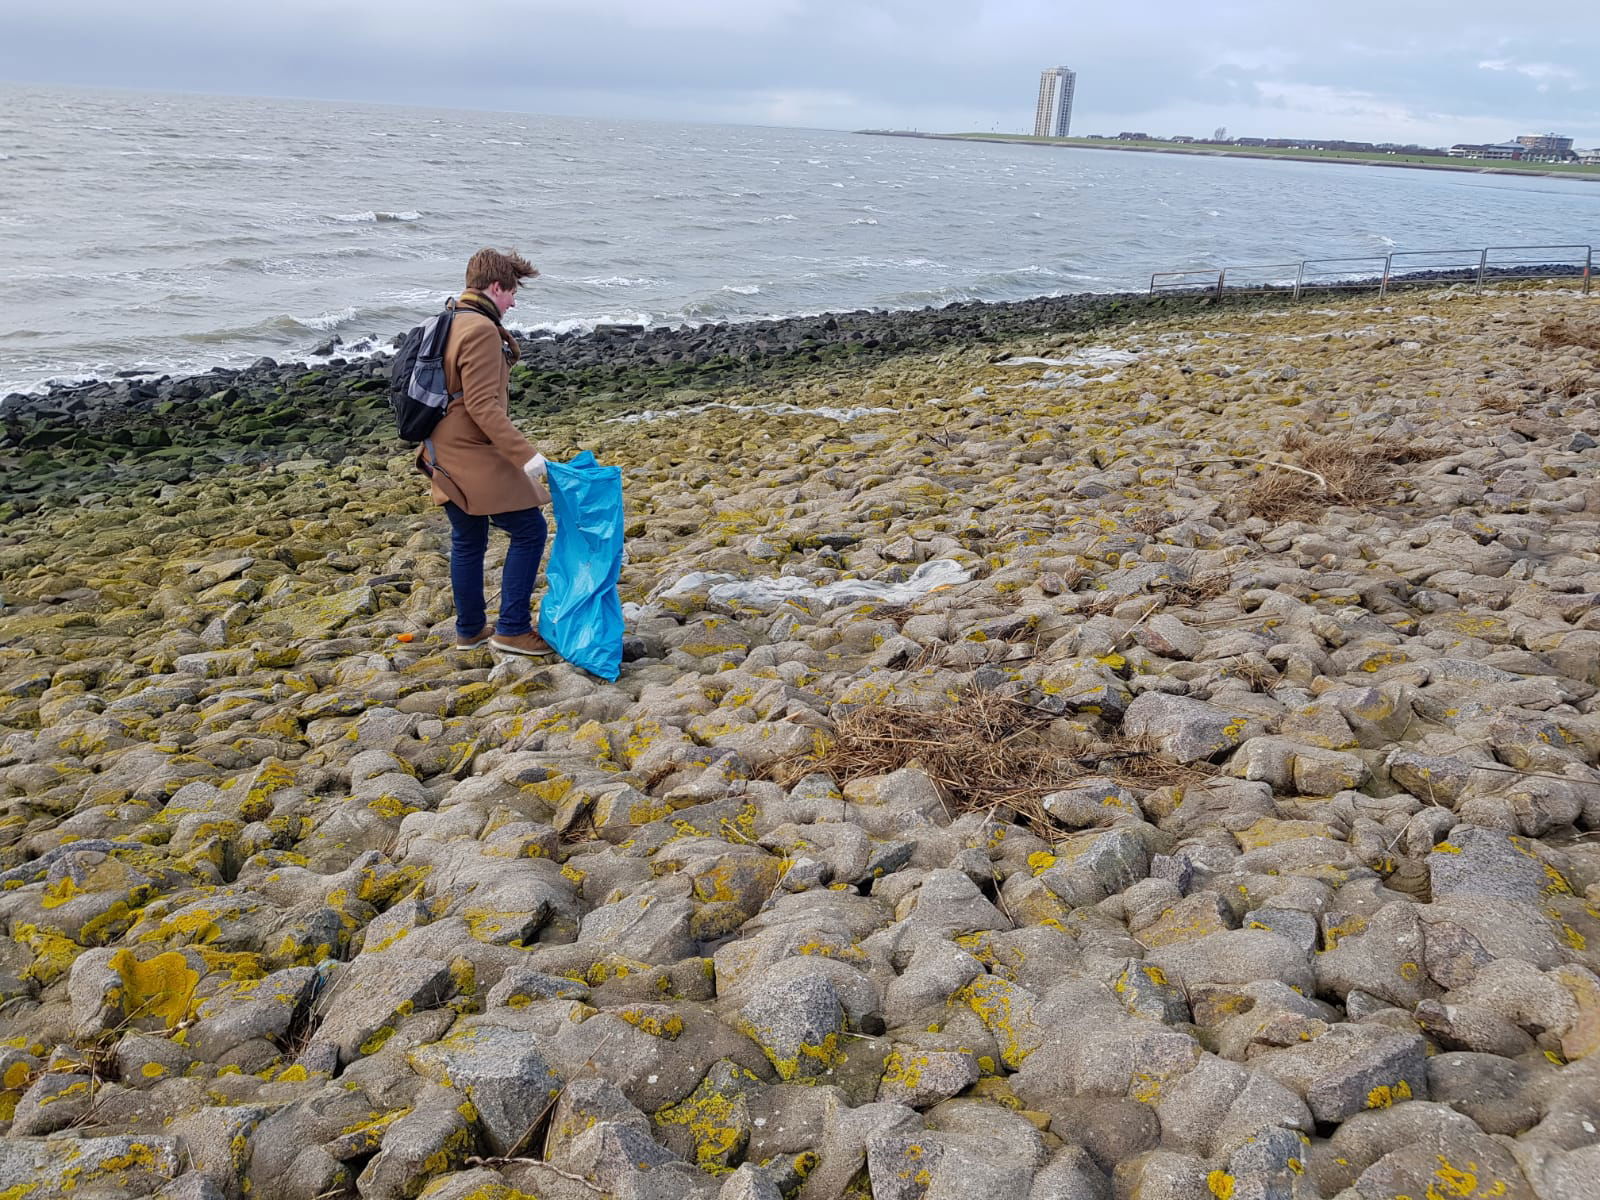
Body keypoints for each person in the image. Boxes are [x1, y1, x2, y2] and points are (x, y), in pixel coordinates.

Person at [416, 248, 555, 656]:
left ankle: (471, 630)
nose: (513, 302)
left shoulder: (446, 320)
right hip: (468, 452)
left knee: (468, 537)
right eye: (512, 292)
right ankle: (511, 628)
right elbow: (481, 406)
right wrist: (527, 456)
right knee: (530, 530)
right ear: (496, 287)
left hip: (438, 449)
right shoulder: (478, 329)